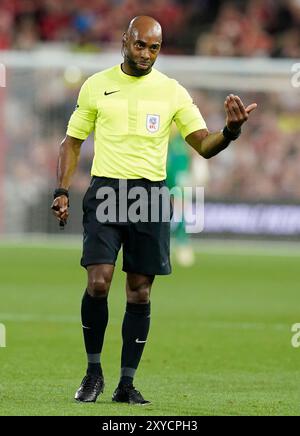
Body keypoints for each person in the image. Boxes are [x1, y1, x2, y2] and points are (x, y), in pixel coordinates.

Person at [51, 15, 257, 405]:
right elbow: (72, 141)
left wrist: (230, 131)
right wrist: (62, 190)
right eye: (140, 45)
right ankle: (93, 372)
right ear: (125, 41)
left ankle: (126, 383)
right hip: (107, 191)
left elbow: (203, 144)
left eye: (154, 48)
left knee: (139, 292)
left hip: (151, 197)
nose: (147, 54)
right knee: (98, 282)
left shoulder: (172, 92)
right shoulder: (97, 85)